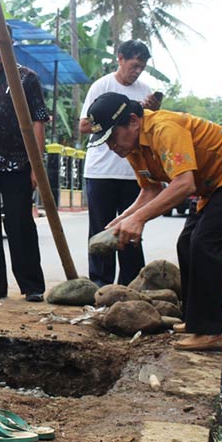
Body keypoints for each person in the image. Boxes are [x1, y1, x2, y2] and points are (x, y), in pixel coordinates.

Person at [86, 92, 222, 352]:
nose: (112, 146)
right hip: (211, 184)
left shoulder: (164, 129)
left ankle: (212, 331)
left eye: (113, 137)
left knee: (204, 245)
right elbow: (150, 189)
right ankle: (196, 321)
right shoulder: (133, 148)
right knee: (186, 243)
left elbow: (184, 184)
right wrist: (125, 217)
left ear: (133, 121)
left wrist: (140, 218)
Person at [79, 40, 162, 287]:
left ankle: (132, 283)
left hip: (134, 173)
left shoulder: (145, 89)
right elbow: (84, 125)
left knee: (132, 229)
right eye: (134, 65)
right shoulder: (102, 86)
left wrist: (152, 111)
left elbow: (152, 129)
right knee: (101, 228)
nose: (136, 71)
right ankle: (100, 284)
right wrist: (111, 122)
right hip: (102, 170)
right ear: (121, 59)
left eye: (141, 67)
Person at [0, 24, 49, 302]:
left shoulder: (26, 78)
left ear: (10, 43)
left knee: (19, 223)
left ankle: (31, 284)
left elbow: (38, 121)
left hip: (17, 163)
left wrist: (36, 165)